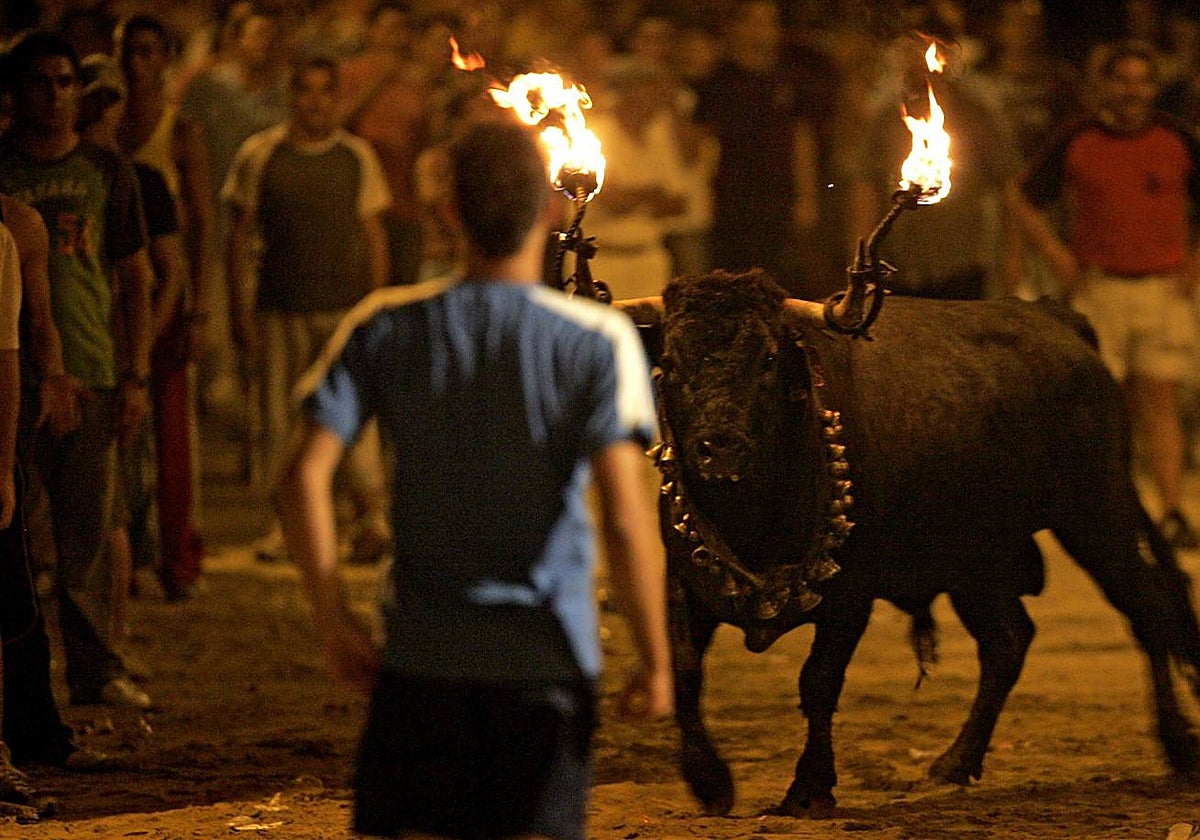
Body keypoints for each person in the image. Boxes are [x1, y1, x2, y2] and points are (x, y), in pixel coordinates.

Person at [276, 118, 673, 839]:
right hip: (547, 663)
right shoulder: (598, 341)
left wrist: (333, 619)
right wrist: (654, 657)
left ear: (448, 211)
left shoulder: (385, 326)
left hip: (422, 660)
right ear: (550, 210)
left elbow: (302, 476)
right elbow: (623, 516)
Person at [0, 30, 154, 710]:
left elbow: (134, 277)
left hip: (90, 367)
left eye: (66, 82)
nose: (55, 95)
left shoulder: (105, 169)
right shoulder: (2, 169)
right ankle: (24, 679)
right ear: (15, 92)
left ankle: (94, 668)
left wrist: (135, 373)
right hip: (12, 372)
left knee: (87, 533)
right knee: (17, 537)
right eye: (41, 81)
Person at [1010, 40, 1200, 548]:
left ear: (1154, 88)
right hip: (1100, 289)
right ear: (1105, 85)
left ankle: (1171, 511)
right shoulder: (1079, 138)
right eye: (1123, 79)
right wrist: (1055, 253)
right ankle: (1112, 515)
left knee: (1160, 403)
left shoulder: (1177, 138)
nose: (1132, 91)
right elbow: (1022, 194)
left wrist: (1194, 263)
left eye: (1142, 81)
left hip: (1163, 288)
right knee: (1102, 409)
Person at [223, 55, 391, 564]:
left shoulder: (356, 157)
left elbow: (373, 235)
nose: (315, 103)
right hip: (281, 306)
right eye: (305, 91)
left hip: (343, 309)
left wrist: (375, 307)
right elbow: (238, 237)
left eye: (325, 91)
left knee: (355, 417)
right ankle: (287, 526)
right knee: (279, 420)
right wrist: (239, 310)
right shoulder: (260, 154)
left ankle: (368, 520)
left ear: (337, 99)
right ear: (290, 96)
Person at [116, 13, 214, 599]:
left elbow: (201, 220)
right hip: (116, 298)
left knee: (173, 435)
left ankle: (178, 557)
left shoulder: (180, 131)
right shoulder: (107, 124)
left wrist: (199, 307)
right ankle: (129, 552)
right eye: (130, 51)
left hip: (167, 296)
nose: (137, 64)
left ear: (166, 59)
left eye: (149, 52)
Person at [692, 0, 820, 297]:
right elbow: (702, 138)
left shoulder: (788, 76)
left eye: (770, 22)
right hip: (732, 195)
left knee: (780, 279)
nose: (765, 30)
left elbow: (802, 138)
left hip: (778, 195)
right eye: (757, 22)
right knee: (733, 279)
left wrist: (806, 196)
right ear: (738, 27)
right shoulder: (720, 79)